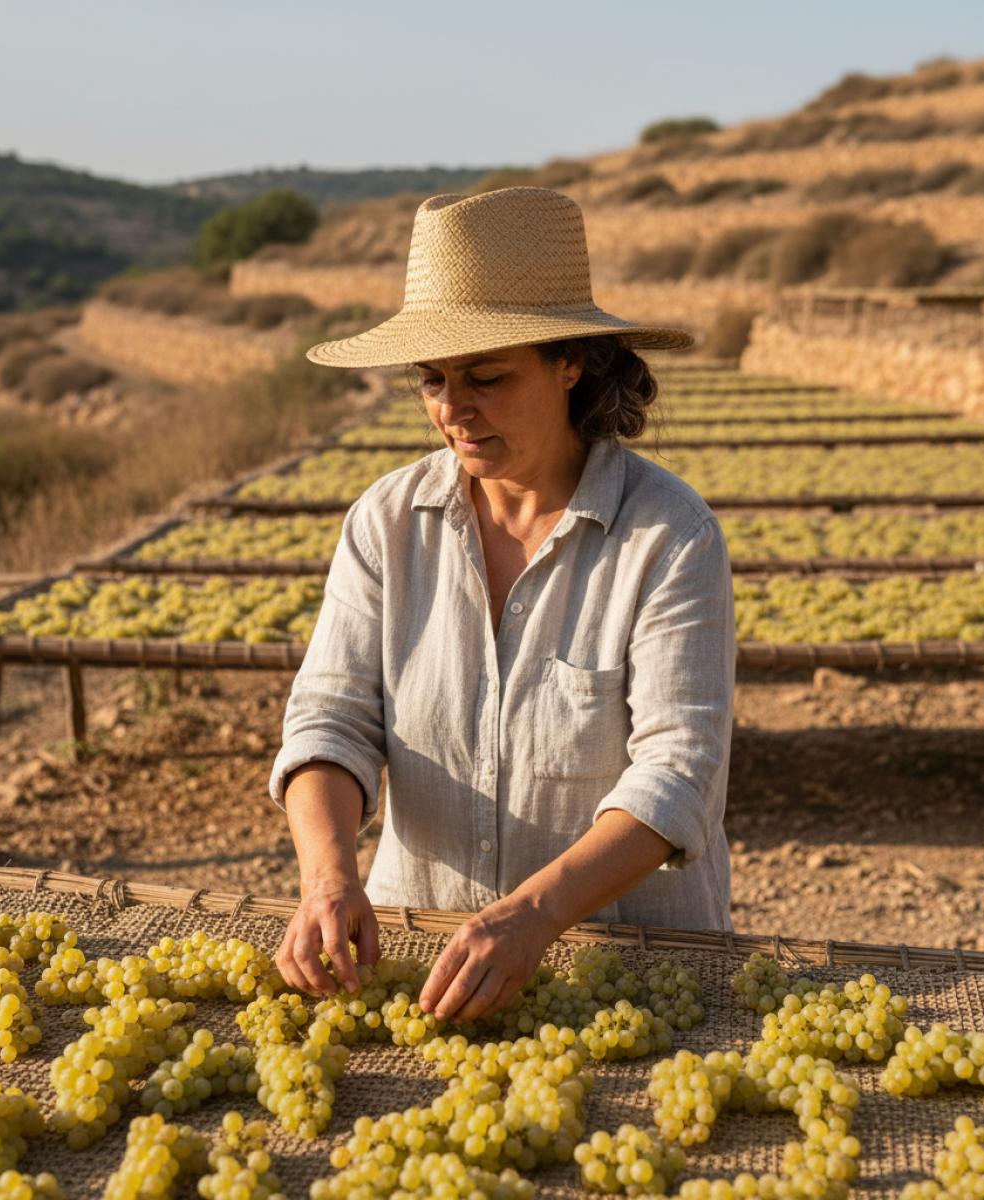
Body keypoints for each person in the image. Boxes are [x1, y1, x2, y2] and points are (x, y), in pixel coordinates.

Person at [269, 186, 736, 1026]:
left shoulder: (667, 535)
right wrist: (328, 878)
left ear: (572, 364)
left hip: (624, 977)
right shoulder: (387, 523)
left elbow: (676, 773)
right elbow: (330, 722)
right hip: (422, 961)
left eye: (486, 376)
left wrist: (533, 917)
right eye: (433, 379)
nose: (453, 408)